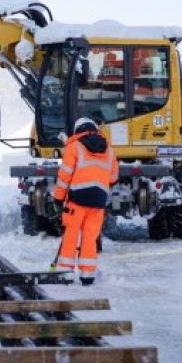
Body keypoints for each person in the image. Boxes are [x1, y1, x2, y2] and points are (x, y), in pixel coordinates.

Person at [51, 117, 119, 285]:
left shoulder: (73, 147)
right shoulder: (109, 150)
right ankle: (87, 275)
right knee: (90, 236)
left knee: (71, 233)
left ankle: (65, 272)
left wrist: (58, 199)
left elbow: (64, 176)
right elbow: (114, 177)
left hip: (77, 199)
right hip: (98, 201)